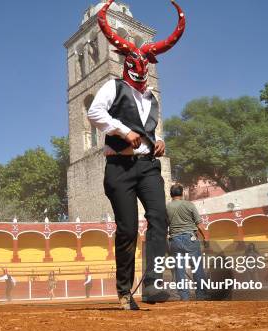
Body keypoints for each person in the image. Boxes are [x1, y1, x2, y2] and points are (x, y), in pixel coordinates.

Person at [88, 0, 186, 310]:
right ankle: (123, 291)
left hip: (147, 167)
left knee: (159, 220)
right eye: (135, 60)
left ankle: (155, 286)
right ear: (127, 61)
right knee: (128, 228)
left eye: (146, 61)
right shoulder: (113, 87)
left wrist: (158, 142)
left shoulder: (151, 99)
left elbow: (147, 129)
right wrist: (120, 130)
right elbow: (94, 112)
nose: (141, 66)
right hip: (119, 167)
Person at [166, 184, 208, 301]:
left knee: (179, 269)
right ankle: (201, 295)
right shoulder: (189, 205)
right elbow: (199, 224)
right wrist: (206, 238)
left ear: (171, 194)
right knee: (197, 267)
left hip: (174, 240)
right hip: (190, 239)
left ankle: (184, 296)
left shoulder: (167, 208)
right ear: (182, 193)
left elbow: (164, 227)